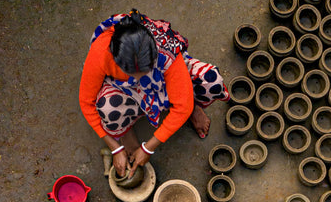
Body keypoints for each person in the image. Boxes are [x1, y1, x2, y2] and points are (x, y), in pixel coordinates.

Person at [79, 10, 229, 179]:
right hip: (126, 91)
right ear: (117, 61)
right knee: (107, 108)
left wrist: (149, 147)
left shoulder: (166, 50)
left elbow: (182, 107)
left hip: (162, 82)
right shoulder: (102, 52)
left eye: (144, 71)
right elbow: (86, 102)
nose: (139, 78)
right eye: (131, 73)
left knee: (211, 82)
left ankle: (192, 104)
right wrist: (115, 147)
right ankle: (125, 133)